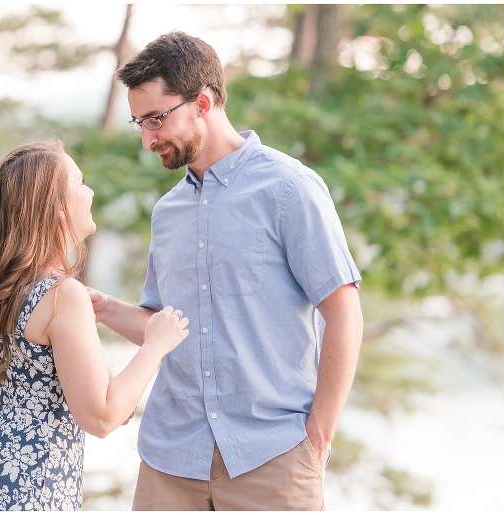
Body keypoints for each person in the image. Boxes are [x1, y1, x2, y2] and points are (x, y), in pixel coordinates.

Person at [87, 32, 364, 510]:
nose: (148, 138)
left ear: (202, 102)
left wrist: (318, 436)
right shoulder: (167, 212)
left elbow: (345, 314)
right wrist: (103, 307)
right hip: (170, 463)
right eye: (139, 122)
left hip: (273, 459)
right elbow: (163, 328)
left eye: (156, 119)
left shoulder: (289, 188)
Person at [0, 139, 189, 511]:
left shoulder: (1, 290)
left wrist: (80, 399)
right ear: (56, 207)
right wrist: (155, 345)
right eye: (80, 183)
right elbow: (102, 417)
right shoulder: (62, 295)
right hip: (29, 493)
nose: (90, 192)